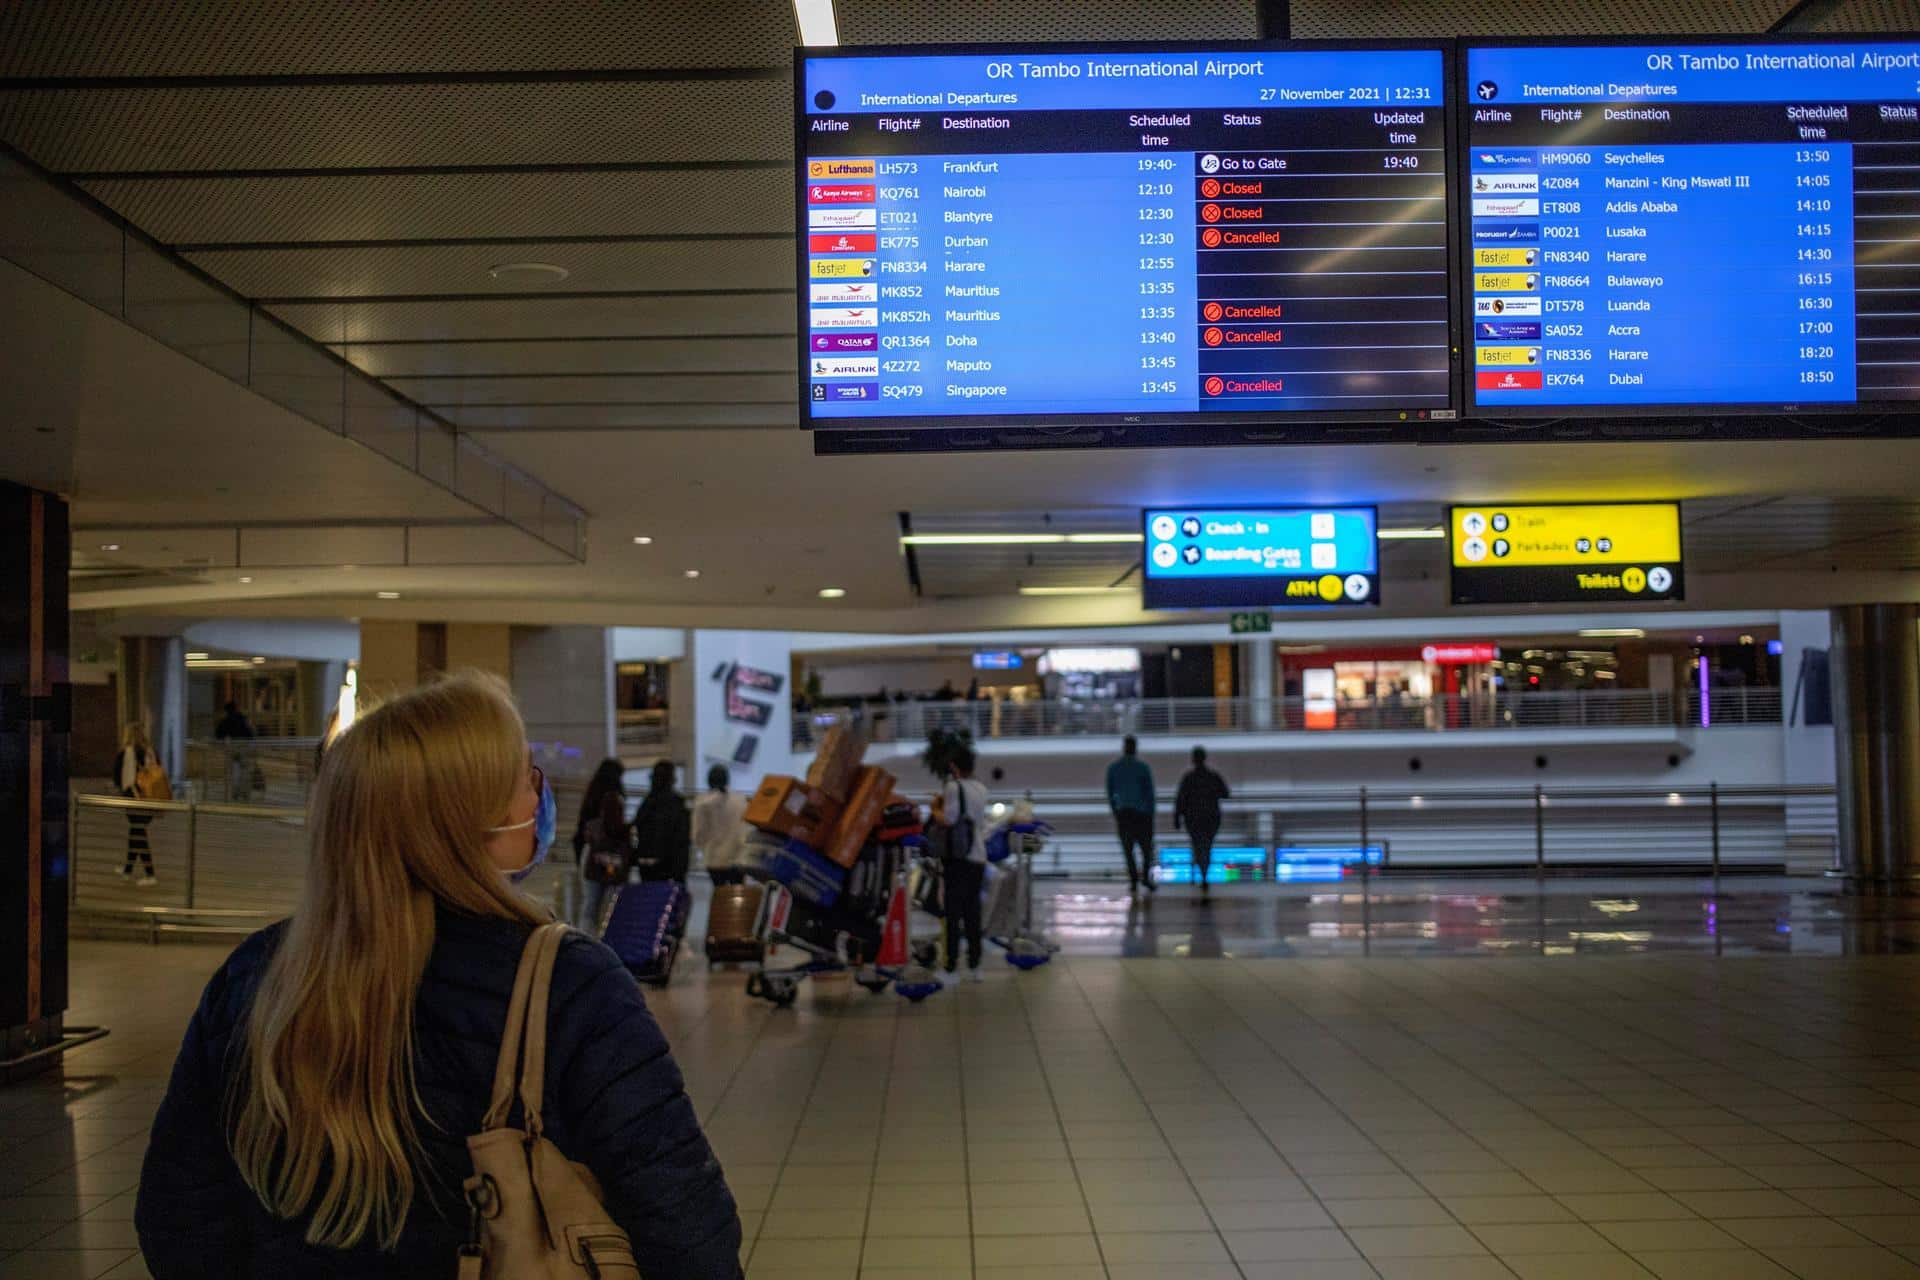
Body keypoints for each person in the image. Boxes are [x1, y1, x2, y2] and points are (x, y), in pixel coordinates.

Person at [134, 672, 742, 1278]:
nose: (539, 797)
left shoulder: (257, 977)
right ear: (463, 821)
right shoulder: (569, 981)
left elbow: (178, 1215)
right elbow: (685, 1227)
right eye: (523, 780)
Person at [939, 747, 990, 983]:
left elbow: (949, 820)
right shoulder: (981, 788)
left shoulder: (953, 787)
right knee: (973, 912)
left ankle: (951, 967)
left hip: (958, 858)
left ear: (954, 767)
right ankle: (975, 965)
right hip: (978, 855)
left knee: (953, 912)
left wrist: (934, 810)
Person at [572, 756, 629, 932]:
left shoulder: (592, 795)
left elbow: (581, 831)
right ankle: (606, 941)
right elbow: (618, 830)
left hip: (591, 854)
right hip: (612, 857)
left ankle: (585, 940)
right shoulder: (615, 798)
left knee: (589, 904)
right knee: (610, 904)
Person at [1174, 746, 1232, 900]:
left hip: (1193, 818)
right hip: (1211, 817)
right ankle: (1204, 876)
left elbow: (1180, 799)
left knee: (1196, 845)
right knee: (1207, 846)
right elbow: (1226, 793)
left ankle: (1197, 875)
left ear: (1193, 759)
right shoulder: (1213, 776)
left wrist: (1177, 817)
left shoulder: (1188, 778)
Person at [1105, 735, 1157, 894]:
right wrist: (1151, 813)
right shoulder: (1143, 767)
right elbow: (1150, 793)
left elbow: (1110, 792)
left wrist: (1115, 810)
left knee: (1128, 850)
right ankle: (1146, 878)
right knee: (1146, 849)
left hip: (1124, 814)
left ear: (1124, 747)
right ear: (1135, 748)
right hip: (1142, 815)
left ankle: (1134, 880)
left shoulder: (1114, 768)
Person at [632, 760, 692, 885]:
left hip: (647, 862)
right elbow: (682, 837)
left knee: (649, 898)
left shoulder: (647, 803)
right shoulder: (677, 803)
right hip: (671, 865)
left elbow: (637, 825)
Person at [115, 721, 160, 886]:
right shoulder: (151, 752)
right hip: (150, 798)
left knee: (138, 835)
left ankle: (151, 875)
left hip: (134, 798)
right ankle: (127, 870)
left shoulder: (126, 753)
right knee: (136, 832)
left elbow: (118, 778)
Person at [691, 763, 750, 885]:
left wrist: (703, 846)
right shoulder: (740, 800)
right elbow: (745, 830)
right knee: (738, 895)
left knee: (720, 895)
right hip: (737, 858)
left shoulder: (702, 804)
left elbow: (697, 835)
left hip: (714, 860)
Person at [215, 699, 257, 800]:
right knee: (245, 771)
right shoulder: (243, 718)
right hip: (244, 746)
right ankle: (245, 793)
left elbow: (218, 735)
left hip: (232, 746)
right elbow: (251, 733)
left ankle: (234, 793)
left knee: (233, 771)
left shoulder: (225, 720)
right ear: (236, 708)